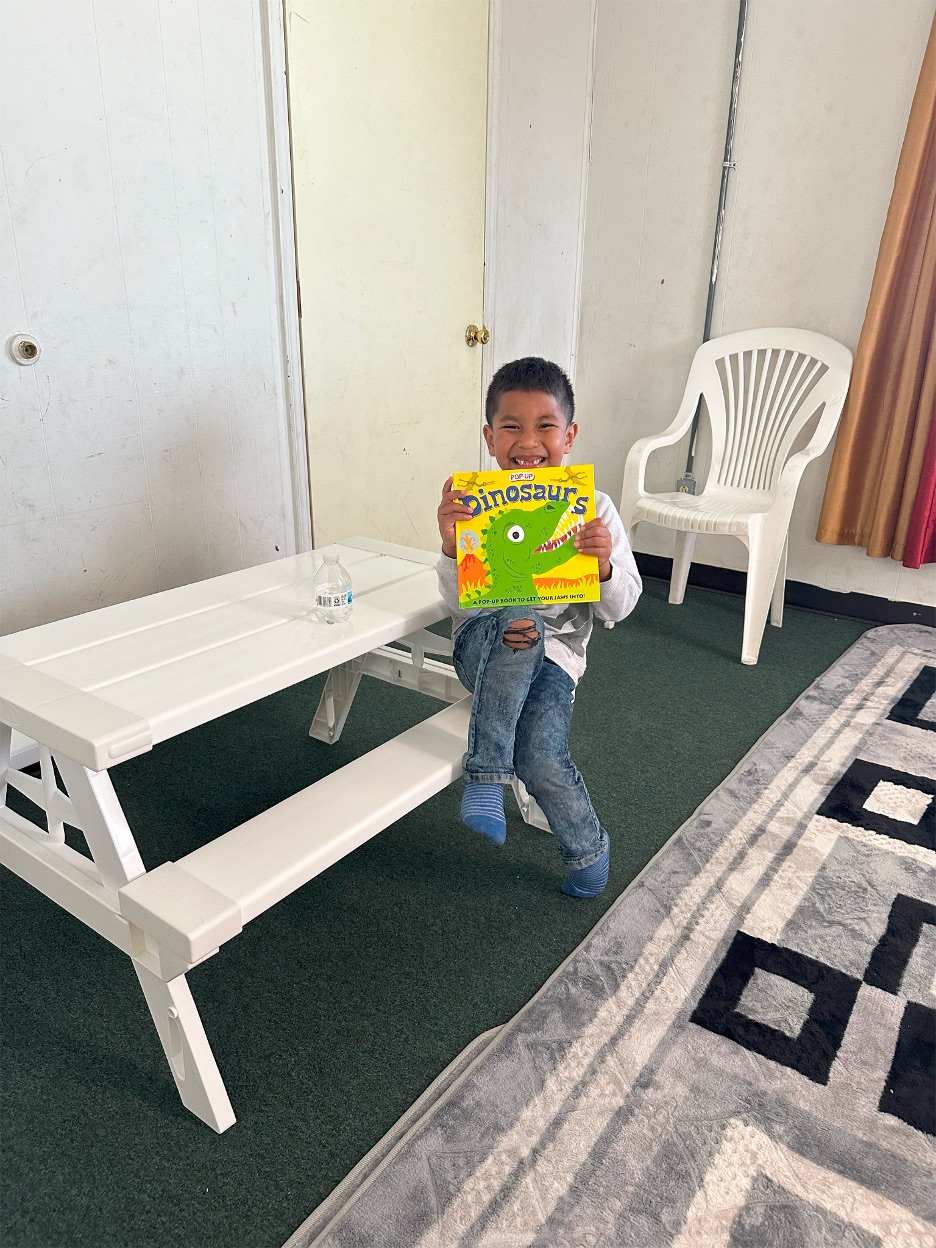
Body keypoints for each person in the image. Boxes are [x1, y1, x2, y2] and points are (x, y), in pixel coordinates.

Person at [436, 357, 642, 897]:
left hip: (557, 659)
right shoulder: (473, 503)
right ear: (489, 437)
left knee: (540, 752)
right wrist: (451, 548)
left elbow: (622, 607)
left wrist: (603, 569)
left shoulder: (593, 509)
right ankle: (484, 779)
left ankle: (589, 848)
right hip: (481, 644)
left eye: (545, 426)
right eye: (512, 426)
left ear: (569, 435)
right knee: (518, 617)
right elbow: (455, 601)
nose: (529, 442)